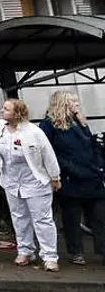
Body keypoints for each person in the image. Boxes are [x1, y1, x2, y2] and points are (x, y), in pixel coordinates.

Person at [40, 91, 105, 266]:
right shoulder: (49, 125)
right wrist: (62, 170)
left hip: (91, 175)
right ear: (62, 103)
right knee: (72, 217)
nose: (77, 104)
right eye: (73, 101)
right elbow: (47, 150)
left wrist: (99, 166)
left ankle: (102, 250)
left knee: (99, 215)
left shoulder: (79, 122)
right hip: (70, 177)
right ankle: (76, 251)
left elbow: (92, 145)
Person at [0, 98, 60, 271]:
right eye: (3, 108)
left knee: (42, 219)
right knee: (19, 217)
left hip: (34, 181)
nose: (2, 111)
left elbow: (48, 154)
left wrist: (54, 177)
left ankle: (49, 256)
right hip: (11, 180)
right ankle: (25, 250)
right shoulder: (0, 127)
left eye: (6, 109)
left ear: (17, 113)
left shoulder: (34, 131)